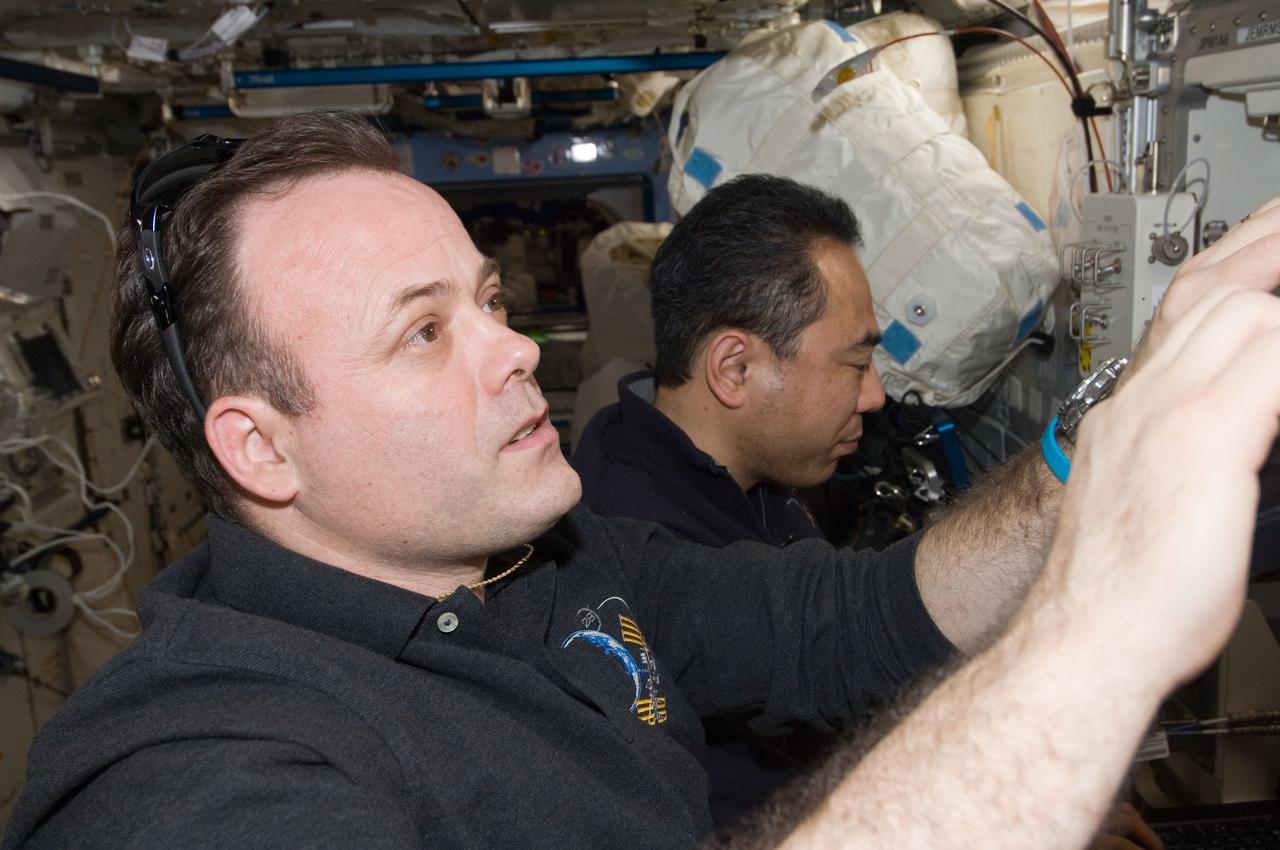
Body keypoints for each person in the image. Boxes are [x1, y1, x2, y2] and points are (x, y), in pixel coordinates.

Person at [3, 111, 1278, 850]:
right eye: (423, 331)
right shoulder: (195, 774)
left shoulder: (544, 565)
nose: (515, 350)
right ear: (258, 448)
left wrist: (1100, 439)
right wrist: (1101, 630)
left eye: (488, 300)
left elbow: (855, 618)